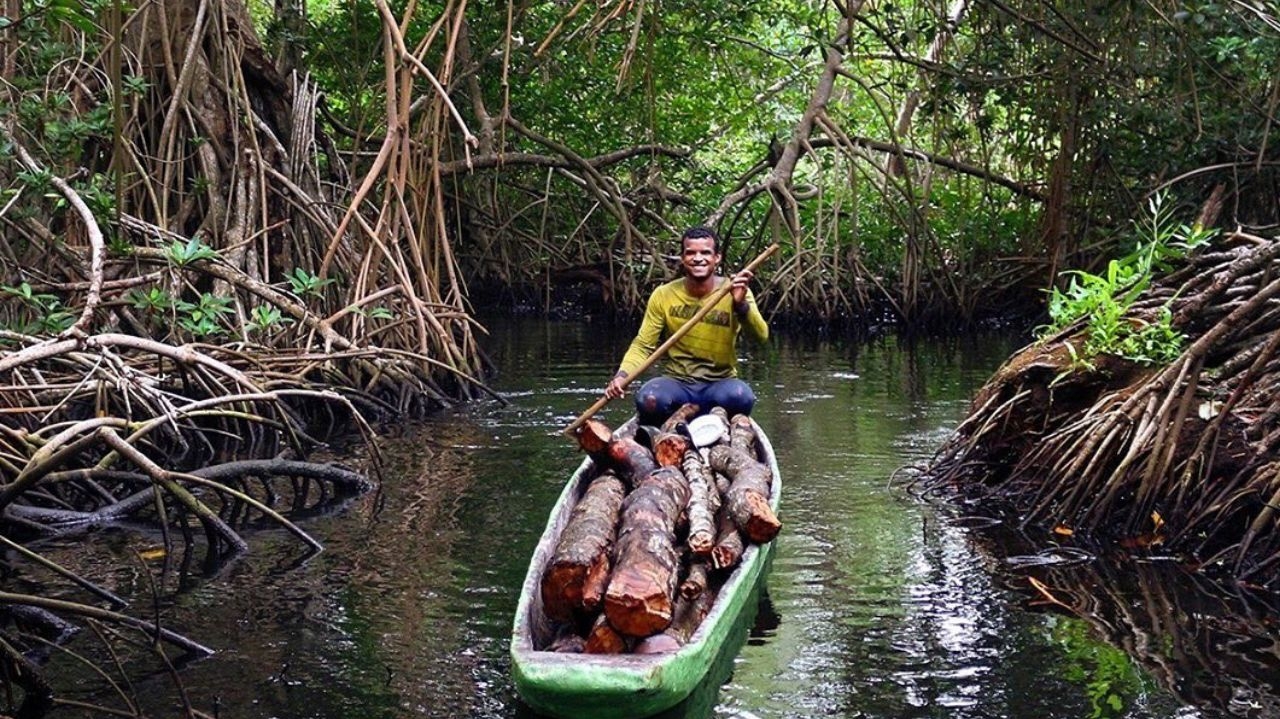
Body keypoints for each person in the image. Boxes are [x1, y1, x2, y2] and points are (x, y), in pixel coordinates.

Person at [604, 226, 769, 426]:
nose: (698, 258)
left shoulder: (736, 291)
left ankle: (716, 422)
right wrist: (622, 375)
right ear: (683, 258)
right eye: (691, 252)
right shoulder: (663, 294)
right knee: (648, 400)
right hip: (677, 384)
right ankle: (667, 430)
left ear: (717, 258)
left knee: (741, 398)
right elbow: (643, 345)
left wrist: (740, 306)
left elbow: (761, 337)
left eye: (705, 252)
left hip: (720, 384)